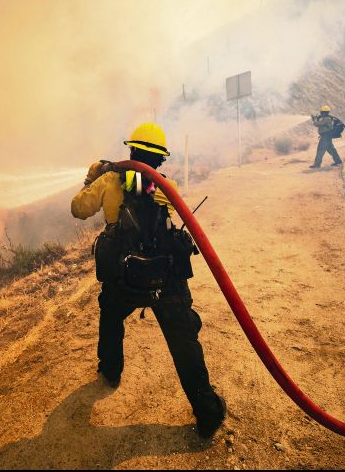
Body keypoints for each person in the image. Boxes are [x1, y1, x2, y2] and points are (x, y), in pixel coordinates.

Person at [70, 122, 227, 438]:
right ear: (160, 159)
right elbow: (159, 204)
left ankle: (110, 371)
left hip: (123, 278)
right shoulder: (168, 188)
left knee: (110, 316)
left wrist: (92, 178)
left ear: (131, 151)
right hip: (165, 279)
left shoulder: (109, 181)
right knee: (183, 341)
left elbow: (78, 209)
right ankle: (208, 412)